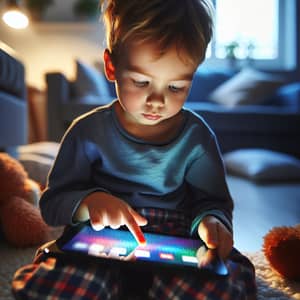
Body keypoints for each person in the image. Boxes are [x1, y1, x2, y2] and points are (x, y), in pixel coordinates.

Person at [12, 0, 256, 299]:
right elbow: (52, 206)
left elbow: (212, 202)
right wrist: (91, 202)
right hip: (102, 238)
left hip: (177, 238)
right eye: (141, 82)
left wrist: (212, 222)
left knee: (224, 286)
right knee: (54, 288)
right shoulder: (87, 131)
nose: (157, 101)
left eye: (176, 87)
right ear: (112, 66)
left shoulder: (197, 137)